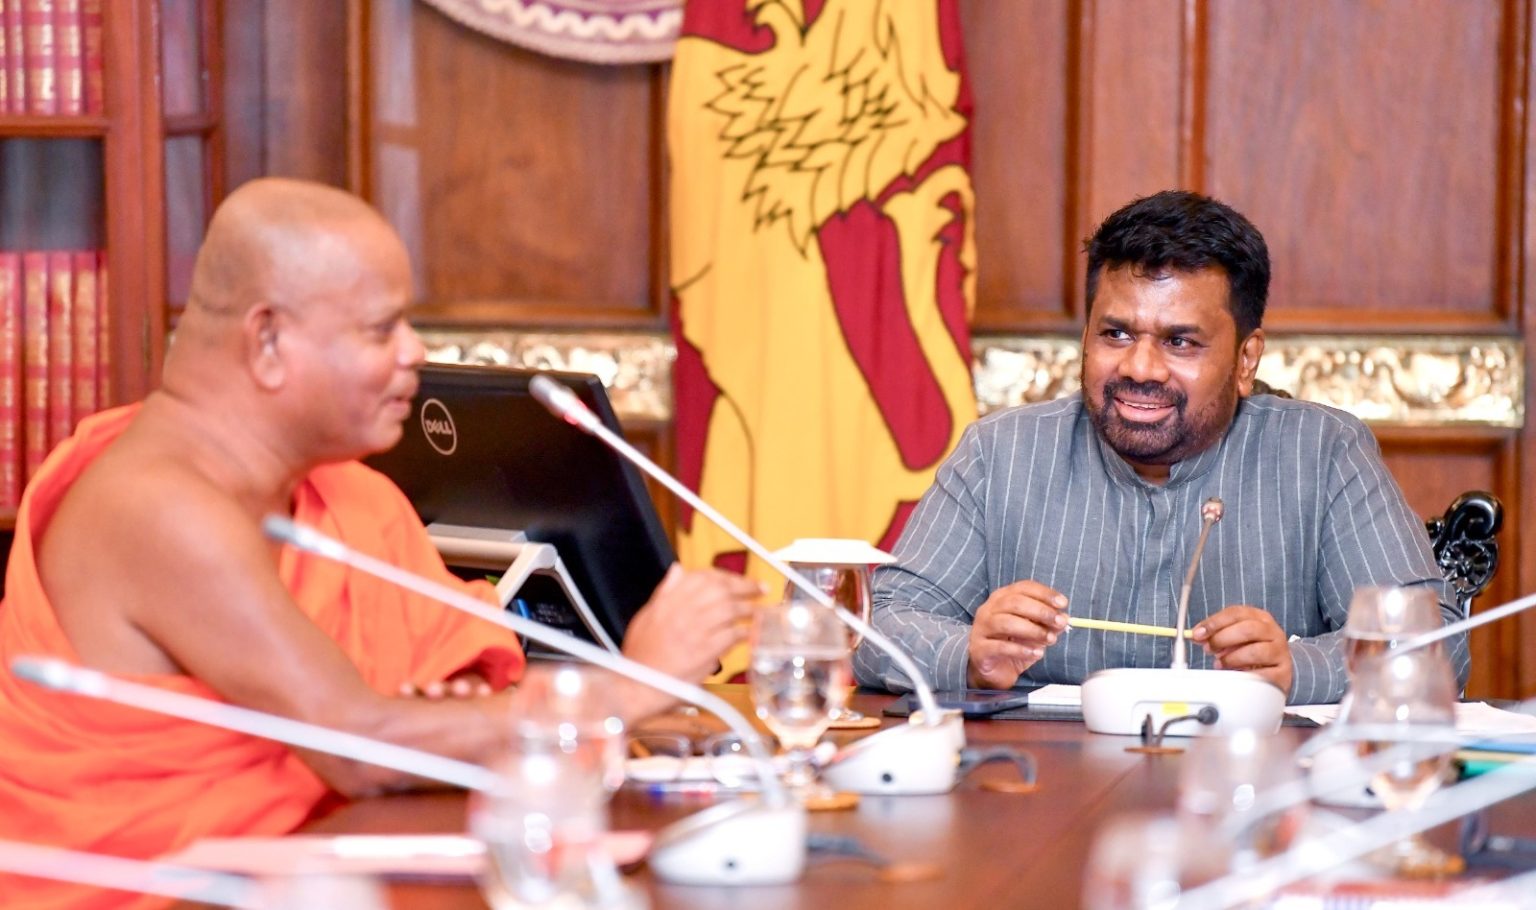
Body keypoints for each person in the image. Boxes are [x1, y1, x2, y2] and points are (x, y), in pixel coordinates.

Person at [0, 178, 758, 909]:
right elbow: (358, 747)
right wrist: (628, 689)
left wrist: (444, 710)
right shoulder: (161, 508)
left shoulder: (340, 496)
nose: (413, 352)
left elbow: (413, 696)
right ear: (267, 341)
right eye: (379, 330)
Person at [853, 189, 1467, 705]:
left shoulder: (1323, 453)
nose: (1140, 368)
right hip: (1043, 786)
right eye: (1116, 334)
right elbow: (876, 626)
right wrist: (968, 654)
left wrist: (1298, 669)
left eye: (1180, 342)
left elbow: (1434, 643)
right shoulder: (1001, 452)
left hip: (1250, 787)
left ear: (1246, 359)